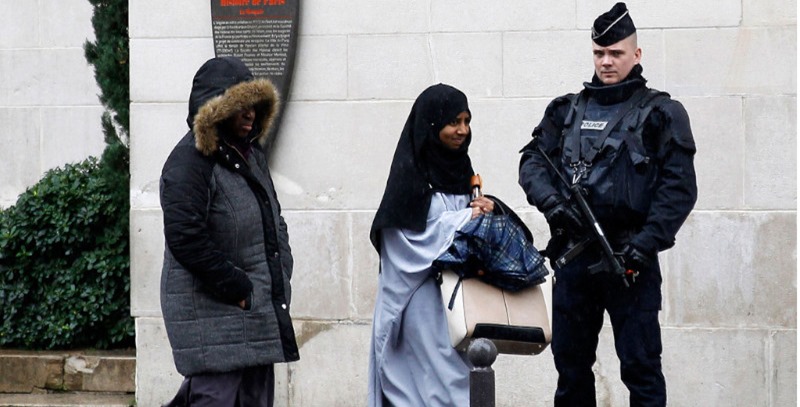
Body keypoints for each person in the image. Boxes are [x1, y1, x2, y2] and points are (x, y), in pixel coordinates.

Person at [518, 3, 697, 406]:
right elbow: (532, 160)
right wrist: (552, 204)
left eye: (616, 53)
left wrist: (645, 244)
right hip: (575, 259)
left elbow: (679, 190)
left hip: (629, 260)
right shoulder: (566, 111)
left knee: (641, 369)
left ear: (636, 54)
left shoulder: (661, 113)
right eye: (599, 52)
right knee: (571, 369)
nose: (606, 61)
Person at [159, 56, 299, 407]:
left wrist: (281, 273)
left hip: (254, 310)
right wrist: (237, 287)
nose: (250, 113)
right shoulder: (189, 161)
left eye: (255, 105)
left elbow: (273, 219)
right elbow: (185, 237)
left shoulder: (251, 155)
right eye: (240, 105)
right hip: (215, 314)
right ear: (215, 108)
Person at [368, 84, 496, 406]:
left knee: (457, 381)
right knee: (426, 386)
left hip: (459, 303)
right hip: (419, 303)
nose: (462, 131)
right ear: (432, 123)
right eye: (454, 122)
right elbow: (405, 244)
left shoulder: (463, 171)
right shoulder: (410, 176)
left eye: (467, 121)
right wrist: (463, 219)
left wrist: (486, 212)